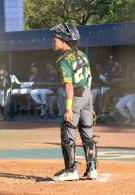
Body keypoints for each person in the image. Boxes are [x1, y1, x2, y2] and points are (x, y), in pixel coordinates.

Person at [50, 23, 98, 181]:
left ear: (64, 41)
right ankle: (92, 169)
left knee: (67, 133)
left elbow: (69, 85)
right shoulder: (83, 55)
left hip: (76, 96)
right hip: (88, 95)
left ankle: (71, 170)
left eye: (55, 39)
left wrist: (68, 109)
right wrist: (89, 103)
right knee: (88, 135)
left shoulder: (62, 60)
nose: (53, 42)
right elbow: (89, 78)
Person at [116, 56, 135, 126]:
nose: (129, 65)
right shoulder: (132, 69)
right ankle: (130, 118)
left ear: (134, 63)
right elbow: (128, 81)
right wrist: (128, 71)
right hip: (130, 93)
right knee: (118, 105)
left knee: (129, 104)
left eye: (130, 63)